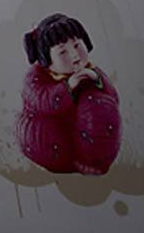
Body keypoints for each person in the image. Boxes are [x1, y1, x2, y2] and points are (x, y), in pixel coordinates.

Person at [16, 12, 121, 175]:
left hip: (82, 134)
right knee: (44, 130)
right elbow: (41, 101)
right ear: (47, 59)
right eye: (62, 52)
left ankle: (95, 160)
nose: (75, 56)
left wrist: (96, 80)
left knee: (99, 104)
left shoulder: (90, 70)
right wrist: (68, 87)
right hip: (53, 137)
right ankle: (68, 161)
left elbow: (113, 98)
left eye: (77, 46)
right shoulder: (36, 78)